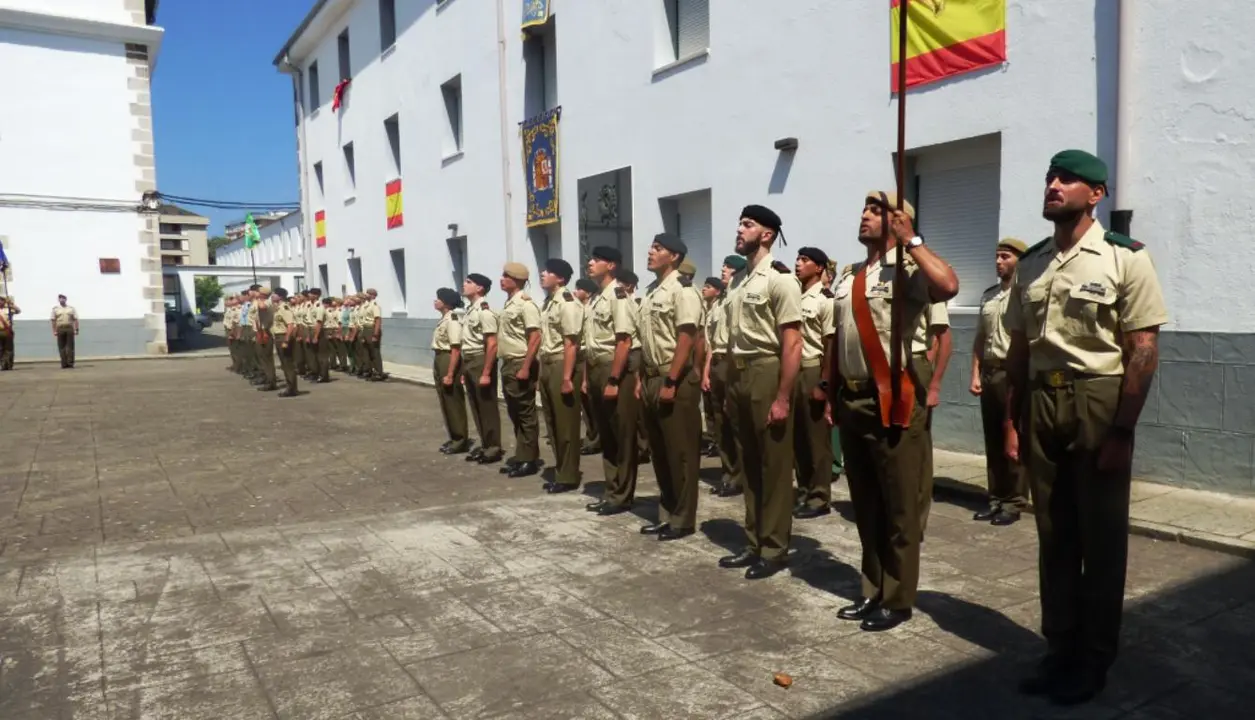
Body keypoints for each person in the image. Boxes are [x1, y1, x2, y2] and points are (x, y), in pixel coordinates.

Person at [1005, 150, 1167, 705]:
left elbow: (1143, 348)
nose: (1053, 185)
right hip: (1041, 403)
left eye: (1066, 179)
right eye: (1049, 177)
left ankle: (1094, 659)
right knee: (1054, 536)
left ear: (1095, 193)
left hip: (1097, 401)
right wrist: (1014, 422)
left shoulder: (1124, 259)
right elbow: (1022, 349)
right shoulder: (1031, 263)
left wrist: (1122, 431)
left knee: (1099, 539)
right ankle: (1060, 649)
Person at [831, 191, 960, 631]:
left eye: (876, 211)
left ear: (899, 220)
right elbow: (838, 338)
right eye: (863, 208)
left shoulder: (909, 270)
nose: (864, 216)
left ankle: (899, 597)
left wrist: (913, 241)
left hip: (895, 396)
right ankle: (873, 589)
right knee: (866, 503)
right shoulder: (849, 276)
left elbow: (948, 285)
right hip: (853, 398)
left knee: (900, 504)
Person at [718, 205, 803, 579]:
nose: (740, 229)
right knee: (749, 463)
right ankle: (753, 541)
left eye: (748, 224)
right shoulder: (738, 281)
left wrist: (783, 396)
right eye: (740, 223)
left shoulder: (780, 280)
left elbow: (793, 343)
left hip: (767, 371)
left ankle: (775, 548)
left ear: (766, 235)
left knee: (773, 463)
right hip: (739, 375)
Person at [637, 233, 702, 541]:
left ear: (673, 256)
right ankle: (667, 514)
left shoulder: (683, 291)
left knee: (681, 453)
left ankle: (683, 519)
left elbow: (686, 338)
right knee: (660, 453)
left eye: (658, 248)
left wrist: (672, 380)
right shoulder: (651, 292)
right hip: (651, 377)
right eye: (652, 247)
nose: (651, 252)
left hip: (672, 378)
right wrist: (641, 379)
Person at [970, 238, 1030, 526]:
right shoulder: (989, 296)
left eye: (1005, 256)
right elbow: (980, 339)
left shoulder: (1025, 294)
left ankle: (1015, 501)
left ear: (1020, 259)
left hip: (1013, 372)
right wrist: (975, 373)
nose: (998, 262)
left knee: (1013, 437)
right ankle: (996, 498)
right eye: (996, 256)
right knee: (993, 438)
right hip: (990, 372)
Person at [582, 246, 641, 516]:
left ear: (612, 265)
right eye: (591, 259)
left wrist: (615, 379)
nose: (590, 263)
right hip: (596, 368)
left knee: (622, 434)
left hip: (613, 369)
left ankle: (622, 495)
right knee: (606, 434)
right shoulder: (596, 298)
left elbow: (624, 341)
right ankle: (612, 490)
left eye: (597, 260)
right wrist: (586, 377)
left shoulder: (618, 296)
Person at [792, 246, 836, 520]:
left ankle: (820, 496)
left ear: (819, 268)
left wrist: (824, 383)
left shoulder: (825, 300)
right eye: (797, 258)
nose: (798, 263)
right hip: (793, 371)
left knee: (816, 439)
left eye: (804, 260)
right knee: (798, 438)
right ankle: (805, 490)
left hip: (812, 369)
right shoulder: (795, 296)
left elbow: (830, 344)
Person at [537, 259, 584, 493]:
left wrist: (567, 377)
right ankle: (561, 468)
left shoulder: (567, 303)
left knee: (565, 424)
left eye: (549, 272)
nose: (543, 274)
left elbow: (571, 343)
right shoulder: (548, 303)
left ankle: (568, 475)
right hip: (547, 364)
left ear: (561, 279)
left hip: (560, 365)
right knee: (552, 421)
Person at [702, 256, 747, 497]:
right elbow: (711, 342)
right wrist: (707, 371)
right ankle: (728, 472)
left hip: (732, 363)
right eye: (723, 266)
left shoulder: (738, 297)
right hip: (717, 363)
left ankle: (739, 476)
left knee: (734, 421)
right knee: (720, 422)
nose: (723, 270)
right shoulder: (718, 303)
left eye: (728, 267)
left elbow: (734, 340)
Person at [498, 263, 544, 478]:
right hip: (508, 363)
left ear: (516, 280)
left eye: (506, 276)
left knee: (525, 413)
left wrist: (526, 366)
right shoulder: (509, 304)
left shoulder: (526, 305)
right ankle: (522, 454)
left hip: (519, 361)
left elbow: (535, 337)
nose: (501, 279)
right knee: (515, 412)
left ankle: (530, 459)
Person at [460, 273, 504, 465]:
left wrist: (486, 372)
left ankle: (493, 447)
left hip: (480, 359)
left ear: (480, 288)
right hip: (469, 359)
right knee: (475, 405)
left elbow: (492, 344)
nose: (464, 284)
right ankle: (486, 444)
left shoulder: (485, 311)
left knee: (486, 405)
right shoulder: (470, 310)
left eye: (469, 282)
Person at [616, 268, 653, 466]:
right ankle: (639, 446)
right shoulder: (622, 302)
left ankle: (644, 445)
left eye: (620, 283)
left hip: (636, 353)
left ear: (629, 285)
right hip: (628, 354)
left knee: (637, 405)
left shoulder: (637, 302)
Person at [432, 287, 470, 454]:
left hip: (448, 358)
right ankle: (453, 437)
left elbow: (455, 348)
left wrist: (450, 373)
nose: (435, 301)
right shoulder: (444, 318)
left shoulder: (452, 320)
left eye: (438, 298)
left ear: (446, 302)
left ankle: (460, 439)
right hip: (440, 357)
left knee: (453, 401)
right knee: (445, 400)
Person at [574, 277, 602, 456]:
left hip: (590, 355)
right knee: (586, 403)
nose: (575, 292)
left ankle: (597, 440)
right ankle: (592, 436)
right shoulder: (580, 308)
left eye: (579, 289)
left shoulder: (590, 308)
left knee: (593, 403)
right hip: (581, 355)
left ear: (587, 292)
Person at [271, 288, 300, 397]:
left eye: (274, 294)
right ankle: (290, 387)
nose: (272, 296)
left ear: (280, 296)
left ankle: (292, 389)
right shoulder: (277, 308)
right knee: (284, 363)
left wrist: (286, 340)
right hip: (278, 336)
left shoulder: (284, 308)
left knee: (288, 364)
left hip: (283, 337)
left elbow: (290, 325)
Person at [251, 287, 278, 392]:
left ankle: (271, 382)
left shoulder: (267, 302)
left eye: (258, 292)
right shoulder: (259, 301)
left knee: (267, 359)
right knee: (262, 358)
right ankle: (268, 379)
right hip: (259, 332)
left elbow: (262, 307)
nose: (256, 293)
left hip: (265, 332)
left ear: (262, 294)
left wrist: (258, 299)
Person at [50, 294, 78, 368]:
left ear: (66, 299)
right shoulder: (55, 309)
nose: (62, 300)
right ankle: (64, 363)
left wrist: (76, 329)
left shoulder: (71, 308)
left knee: (70, 347)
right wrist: (54, 331)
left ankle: (70, 363)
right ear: (58, 300)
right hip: (60, 328)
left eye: (63, 298)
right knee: (61, 347)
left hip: (69, 328)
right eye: (60, 298)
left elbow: (75, 319)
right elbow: (53, 320)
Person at [363, 289, 385, 380]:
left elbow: (378, 320)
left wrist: (375, 334)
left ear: (373, 295)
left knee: (375, 352)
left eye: (368, 293)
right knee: (369, 352)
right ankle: (371, 371)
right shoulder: (367, 305)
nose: (366, 295)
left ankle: (378, 372)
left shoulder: (374, 305)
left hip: (372, 329)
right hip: (366, 329)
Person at [0, 296, 19, 370]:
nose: (0, 302)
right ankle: (3, 364)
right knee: (0, 349)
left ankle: (7, 364)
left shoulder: (8, 309)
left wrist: (10, 304)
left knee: (8, 349)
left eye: (2, 300)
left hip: (7, 331)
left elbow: (18, 311)